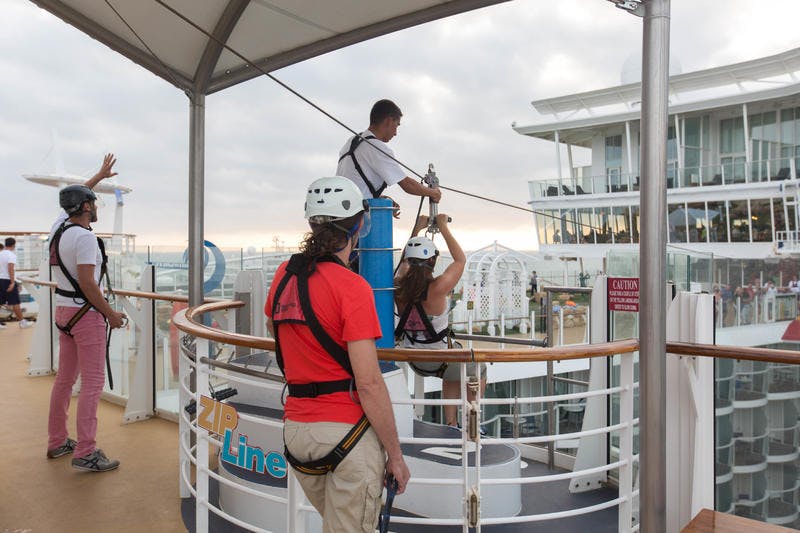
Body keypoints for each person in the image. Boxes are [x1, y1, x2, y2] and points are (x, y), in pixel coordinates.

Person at [265, 176, 410, 532]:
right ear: (358, 225)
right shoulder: (353, 287)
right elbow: (370, 383)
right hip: (345, 434)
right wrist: (395, 454)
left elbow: (277, 333)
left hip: (297, 432)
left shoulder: (285, 274)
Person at [46, 153, 126, 472]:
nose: (95, 208)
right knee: (92, 383)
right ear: (88, 207)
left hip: (63, 313)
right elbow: (89, 285)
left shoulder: (59, 228)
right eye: (92, 203)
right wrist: (111, 314)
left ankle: (56, 441)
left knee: (64, 380)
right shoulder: (86, 239)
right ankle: (86, 451)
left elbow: (76, 197)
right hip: (86, 316)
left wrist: (98, 177)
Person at [394, 214, 485, 427]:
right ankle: (472, 423)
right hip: (439, 360)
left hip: (414, 359)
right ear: (433, 261)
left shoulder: (397, 287)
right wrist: (443, 227)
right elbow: (460, 260)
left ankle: (451, 424)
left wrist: (416, 229)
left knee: (454, 371)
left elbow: (402, 266)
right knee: (477, 368)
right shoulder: (437, 288)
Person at [336, 99, 442, 204]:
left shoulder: (352, 141)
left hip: (341, 209)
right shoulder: (376, 147)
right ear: (389, 121)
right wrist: (433, 193)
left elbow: (355, 182)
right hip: (359, 216)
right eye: (396, 125)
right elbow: (407, 185)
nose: (395, 133)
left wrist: (380, 198)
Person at [0, 237, 33, 329]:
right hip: (7, 280)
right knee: (15, 303)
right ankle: (22, 322)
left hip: (0, 280)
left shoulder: (0, 254)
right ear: (14, 245)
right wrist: (12, 283)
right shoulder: (11, 255)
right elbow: (10, 268)